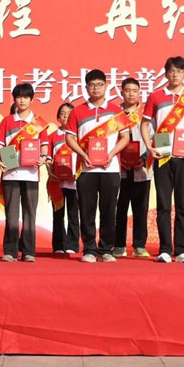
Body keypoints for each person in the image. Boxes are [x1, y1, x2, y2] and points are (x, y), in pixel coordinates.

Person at [141, 56, 184, 263]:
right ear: (166, 73)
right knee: (163, 204)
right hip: (162, 156)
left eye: (179, 71)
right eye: (171, 71)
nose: (175, 75)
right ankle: (165, 249)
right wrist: (149, 147)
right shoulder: (155, 97)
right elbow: (144, 124)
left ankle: (182, 249)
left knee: (183, 205)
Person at [66, 70, 130, 263]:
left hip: (110, 169)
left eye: (99, 84)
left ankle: (106, 249)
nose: (96, 88)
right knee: (87, 210)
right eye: (92, 85)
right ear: (86, 88)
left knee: (109, 210)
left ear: (106, 86)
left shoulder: (116, 111)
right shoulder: (77, 111)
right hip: (86, 169)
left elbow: (125, 137)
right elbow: (70, 137)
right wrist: (83, 154)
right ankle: (89, 250)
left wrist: (112, 154)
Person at [0, 84, 49, 263]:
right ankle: (10, 251)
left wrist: (43, 158)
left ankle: (28, 251)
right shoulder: (7, 121)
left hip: (31, 174)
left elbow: (44, 146)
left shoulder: (39, 122)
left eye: (26, 97)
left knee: (29, 213)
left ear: (31, 100)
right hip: (11, 174)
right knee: (11, 214)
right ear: (14, 99)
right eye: (19, 97)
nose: (22, 100)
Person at [114, 78, 152, 258]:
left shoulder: (147, 114)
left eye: (134, 90)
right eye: (127, 90)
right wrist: (117, 157)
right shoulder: (114, 113)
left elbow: (159, 138)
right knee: (119, 209)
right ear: (122, 92)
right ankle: (119, 245)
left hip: (142, 169)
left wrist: (145, 158)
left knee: (141, 209)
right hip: (119, 169)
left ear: (139, 93)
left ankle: (139, 245)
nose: (131, 94)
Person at [46, 102, 80, 255]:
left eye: (69, 113)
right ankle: (59, 245)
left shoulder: (79, 135)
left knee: (74, 214)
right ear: (58, 117)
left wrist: (78, 172)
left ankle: (72, 244)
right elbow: (48, 158)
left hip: (74, 182)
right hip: (57, 183)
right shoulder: (52, 136)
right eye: (62, 113)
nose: (66, 116)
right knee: (58, 215)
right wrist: (50, 172)